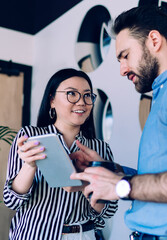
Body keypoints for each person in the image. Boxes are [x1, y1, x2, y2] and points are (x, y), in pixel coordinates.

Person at [71, 5, 167, 240]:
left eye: (125, 55)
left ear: (154, 41)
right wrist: (112, 170)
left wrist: (121, 185)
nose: (122, 70)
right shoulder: (160, 95)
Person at [3, 68, 118, 240]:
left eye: (87, 95)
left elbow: (108, 210)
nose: (81, 102)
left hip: (82, 235)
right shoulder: (30, 138)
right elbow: (11, 200)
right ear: (52, 101)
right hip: (35, 234)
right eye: (72, 93)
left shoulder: (100, 149)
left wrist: (89, 186)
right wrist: (29, 166)